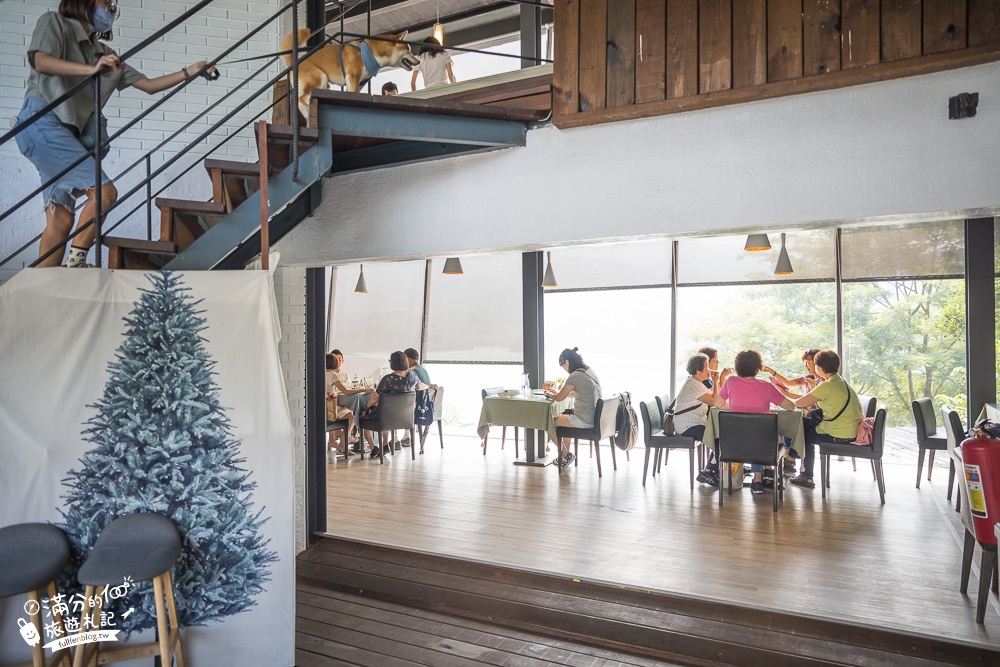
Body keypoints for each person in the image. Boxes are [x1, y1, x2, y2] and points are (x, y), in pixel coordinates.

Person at [15, 0, 217, 268]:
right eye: (106, 1)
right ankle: (76, 265)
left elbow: (149, 85)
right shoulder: (55, 23)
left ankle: (40, 288)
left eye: (113, 4)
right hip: (41, 121)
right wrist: (91, 70)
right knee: (104, 193)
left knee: (61, 219)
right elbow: (41, 60)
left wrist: (190, 71)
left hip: (68, 136)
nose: (111, 7)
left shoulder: (105, 55)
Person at [719, 350, 794, 495]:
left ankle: (757, 477)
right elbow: (790, 406)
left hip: (734, 445)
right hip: (763, 447)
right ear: (758, 367)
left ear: (737, 367)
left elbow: (718, 403)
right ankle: (758, 479)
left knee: (750, 435)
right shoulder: (766, 386)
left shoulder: (731, 382)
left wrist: (735, 403)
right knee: (759, 436)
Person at [788, 350, 864, 489]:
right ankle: (792, 457)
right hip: (851, 429)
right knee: (802, 424)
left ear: (819, 368)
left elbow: (799, 403)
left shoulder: (826, 385)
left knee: (804, 435)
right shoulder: (840, 381)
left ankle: (805, 474)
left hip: (839, 434)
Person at [673, 353, 729, 487]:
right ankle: (707, 472)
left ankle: (710, 470)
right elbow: (715, 402)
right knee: (719, 440)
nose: (709, 370)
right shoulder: (693, 385)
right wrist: (716, 381)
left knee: (719, 437)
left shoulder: (697, 383)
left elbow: (716, 399)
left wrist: (716, 382)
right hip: (687, 425)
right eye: (706, 367)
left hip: (695, 422)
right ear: (698, 371)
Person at [361, 351, 430, 458]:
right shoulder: (413, 376)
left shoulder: (388, 379)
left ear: (392, 363)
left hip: (387, 416)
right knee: (386, 415)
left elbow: (375, 397)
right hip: (405, 417)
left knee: (364, 417)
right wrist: (430, 386)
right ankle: (384, 445)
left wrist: (366, 407)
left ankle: (373, 447)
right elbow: (420, 386)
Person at [544, 347, 601, 470]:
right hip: (595, 417)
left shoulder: (575, 376)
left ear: (566, 362)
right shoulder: (588, 371)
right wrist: (557, 392)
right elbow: (577, 392)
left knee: (549, 422)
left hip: (584, 419)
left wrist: (549, 394)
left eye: (563, 366)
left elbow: (559, 398)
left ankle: (566, 455)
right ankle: (564, 457)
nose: (564, 370)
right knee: (565, 419)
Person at [325, 353, 366, 455]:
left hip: (322, 410)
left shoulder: (320, 374)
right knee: (352, 416)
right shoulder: (332, 375)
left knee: (347, 413)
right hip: (329, 413)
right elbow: (346, 391)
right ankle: (345, 442)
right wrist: (364, 389)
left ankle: (343, 441)